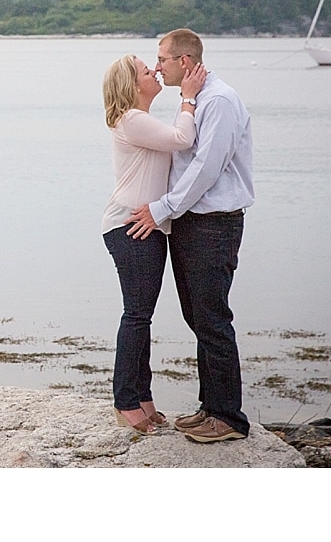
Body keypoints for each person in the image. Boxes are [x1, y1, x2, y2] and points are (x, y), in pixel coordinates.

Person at [126, 28, 254, 443]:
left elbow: (206, 169)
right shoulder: (196, 100)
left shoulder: (218, 100)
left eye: (161, 58)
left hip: (214, 224)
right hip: (192, 222)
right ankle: (210, 408)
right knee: (197, 318)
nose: (157, 65)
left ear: (184, 61)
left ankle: (230, 418)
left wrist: (161, 208)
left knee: (214, 320)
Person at [101, 53, 206, 434]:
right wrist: (189, 97)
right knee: (137, 314)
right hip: (130, 225)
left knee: (141, 315)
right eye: (147, 71)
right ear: (132, 86)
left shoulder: (139, 121)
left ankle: (142, 398)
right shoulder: (132, 119)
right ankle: (127, 402)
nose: (155, 71)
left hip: (145, 225)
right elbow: (183, 138)